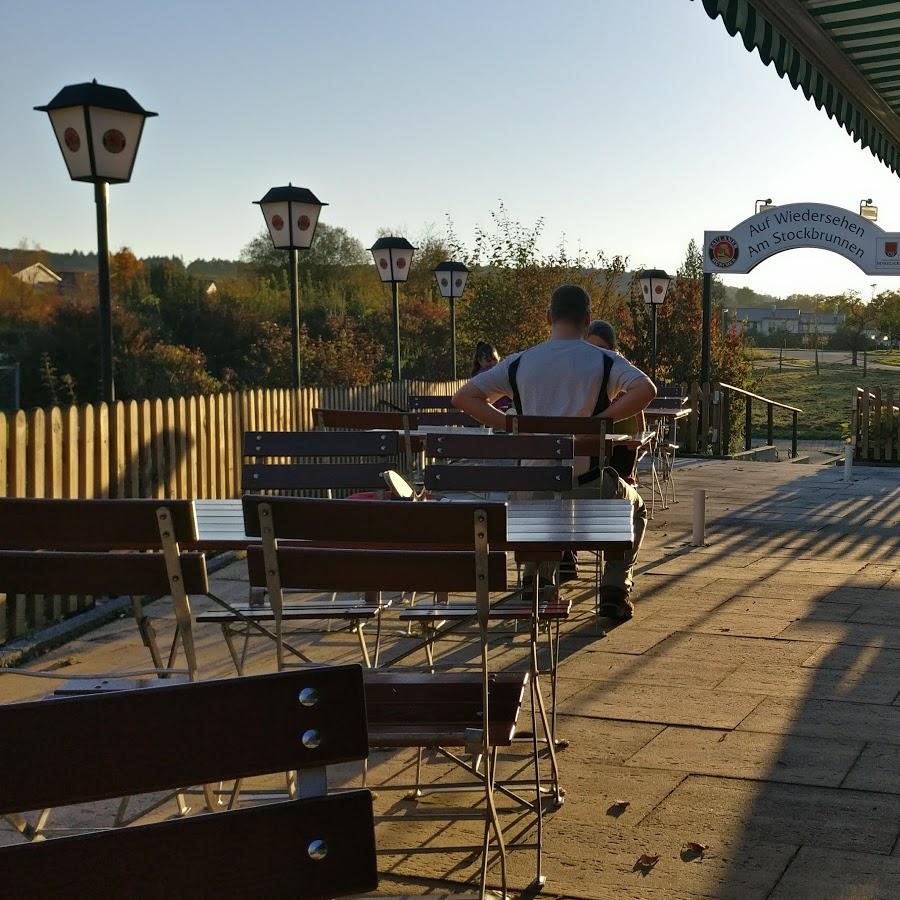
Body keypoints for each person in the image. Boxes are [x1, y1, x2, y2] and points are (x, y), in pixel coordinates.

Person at [453, 285, 655, 620]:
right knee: (636, 508)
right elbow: (646, 389)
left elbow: (463, 398)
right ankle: (615, 589)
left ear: (548, 317)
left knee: (542, 494)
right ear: (588, 321)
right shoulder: (605, 361)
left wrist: (510, 426)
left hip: (532, 494)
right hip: (590, 492)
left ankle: (538, 579)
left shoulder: (520, 362)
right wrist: (599, 422)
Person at [586, 319, 646, 481]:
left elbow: (640, 424)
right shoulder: (581, 380)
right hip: (588, 454)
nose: (597, 355)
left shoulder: (621, 377)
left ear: (613, 350)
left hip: (621, 452)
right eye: (591, 349)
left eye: (601, 349)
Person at [470, 341, 512, 411]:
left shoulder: (502, 372)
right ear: (480, 361)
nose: (492, 363)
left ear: (499, 358)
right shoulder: (481, 376)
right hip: (489, 411)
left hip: (504, 409)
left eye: (495, 359)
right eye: (488, 360)